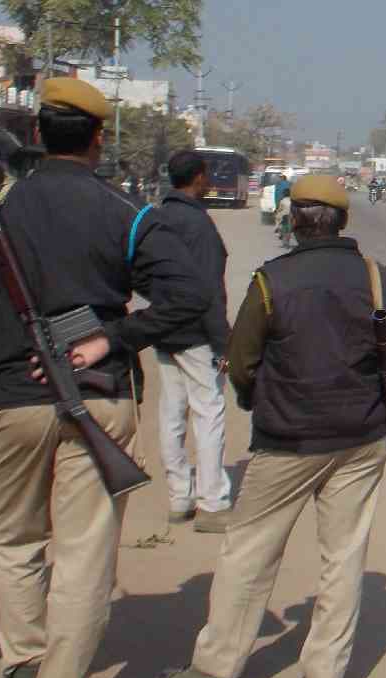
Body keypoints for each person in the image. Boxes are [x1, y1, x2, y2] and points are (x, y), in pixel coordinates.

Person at [0, 77, 209, 678]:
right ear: (97, 139)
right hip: (98, 394)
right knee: (85, 555)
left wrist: (6, 339)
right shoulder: (124, 212)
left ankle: (24, 671)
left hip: (8, 402)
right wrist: (109, 338)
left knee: (17, 541)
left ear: (34, 136)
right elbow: (187, 297)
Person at [155, 175, 386, 678]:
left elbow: (241, 363)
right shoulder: (383, 281)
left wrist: (256, 398)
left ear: (292, 219)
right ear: (344, 221)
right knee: (343, 555)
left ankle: (217, 669)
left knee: (249, 552)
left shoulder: (272, 281)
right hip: (362, 437)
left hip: (287, 439)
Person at [154, 150, 234, 529]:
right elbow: (208, 289)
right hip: (196, 333)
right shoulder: (198, 225)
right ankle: (212, 501)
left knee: (172, 413)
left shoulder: (157, 217)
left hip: (164, 328)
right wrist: (223, 341)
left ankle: (179, 497)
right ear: (198, 178)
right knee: (208, 412)